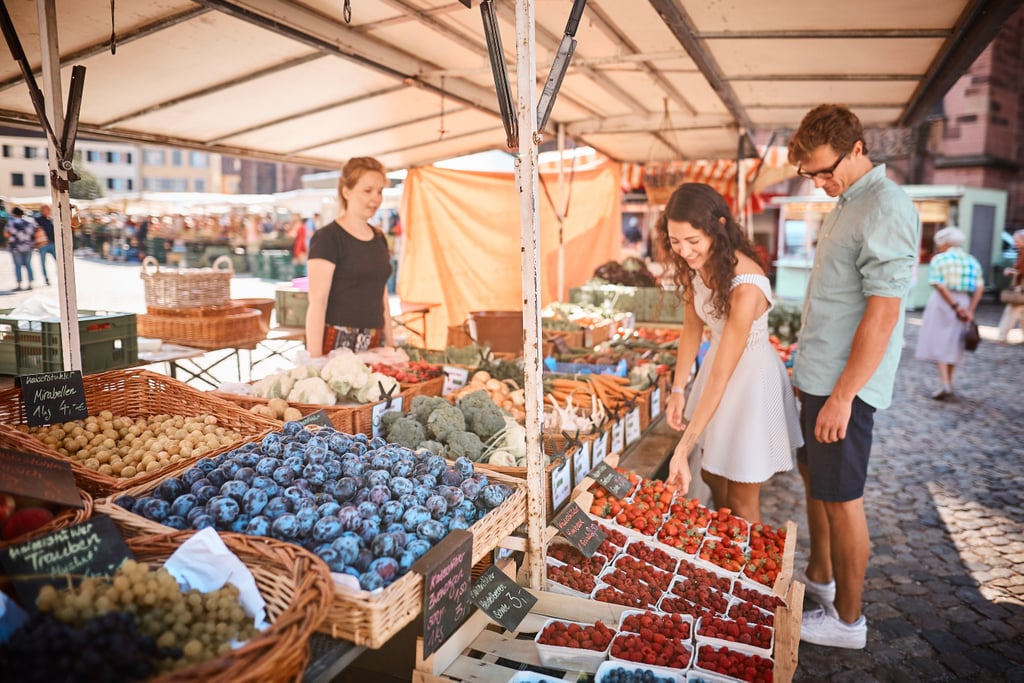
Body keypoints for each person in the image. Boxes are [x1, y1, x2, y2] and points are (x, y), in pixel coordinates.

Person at [787, 104, 920, 650]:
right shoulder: (848, 200)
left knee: (843, 499)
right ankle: (821, 580)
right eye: (810, 174)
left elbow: (883, 314)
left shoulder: (885, 206)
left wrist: (843, 396)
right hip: (822, 378)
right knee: (819, 486)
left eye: (825, 170)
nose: (819, 182)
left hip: (845, 388)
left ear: (858, 149)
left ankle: (848, 621)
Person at [662, 183, 802, 523]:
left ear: (718, 227)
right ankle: (726, 557)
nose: (684, 251)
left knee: (741, 494)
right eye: (674, 241)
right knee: (712, 474)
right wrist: (678, 389)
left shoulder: (747, 286)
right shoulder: (699, 265)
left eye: (692, 241)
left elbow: (724, 374)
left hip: (750, 378)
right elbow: (692, 330)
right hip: (717, 369)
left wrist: (682, 448)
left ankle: (752, 570)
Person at [305, 157, 395, 355]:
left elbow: (382, 296)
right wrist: (315, 358)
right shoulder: (328, 238)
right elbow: (318, 302)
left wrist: (391, 344)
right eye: (368, 191)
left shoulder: (379, 238)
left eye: (380, 191)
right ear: (346, 191)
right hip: (337, 343)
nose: (376, 198)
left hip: (375, 341)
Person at [914, 227, 984, 399]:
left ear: (944, 243)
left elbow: (939, 284)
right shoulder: (972, 260)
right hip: (965, 300)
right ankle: (949, 382)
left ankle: (945, 383)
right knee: (956, 342)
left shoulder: (939, 259)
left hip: (943, 302)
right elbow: (980, 287)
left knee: (940, 341)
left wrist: (954, 306)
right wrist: (969, 309)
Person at [996, 229, 1024, 342]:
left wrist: (1012, 271)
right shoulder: (1021, 252)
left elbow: (1021, 270)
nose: (1014, 242)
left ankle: (1002, 336)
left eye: (1016, 240)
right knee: (1021, 313)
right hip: (1020, 286)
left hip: (1021, 287)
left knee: (1011, 311)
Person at [5, 207, 37, 290]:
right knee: (28, 265)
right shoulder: (30, 221)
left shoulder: (11, 222)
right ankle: (30, 284)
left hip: (16, 247)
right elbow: (35, 231)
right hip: (28, 246)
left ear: (14, 214)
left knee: (17, 266)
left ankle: (19, 284)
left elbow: (6, 234)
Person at [34, 204, 55, 285]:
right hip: (42, 245)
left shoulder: (51, 219)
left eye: (48, 209)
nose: (47, 211)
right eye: (46, 209)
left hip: (52, 243)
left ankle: (61, 276)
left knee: (59, 262)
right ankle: (46, 279)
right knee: (43, 263)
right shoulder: (37, 219)